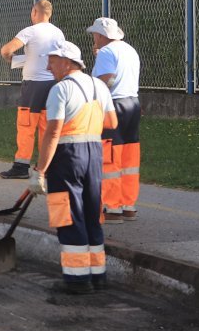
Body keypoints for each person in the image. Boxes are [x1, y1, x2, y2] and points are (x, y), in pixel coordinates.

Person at [28, 40, 118, 295]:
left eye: (52, 60)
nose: (48, 65)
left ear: (67, 62)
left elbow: (53, 132)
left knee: (69, 215)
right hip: (94, 152)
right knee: (91, 213)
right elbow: (111, 121)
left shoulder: (61, 89)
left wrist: (40, 170)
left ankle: (77, 279)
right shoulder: (99, 85)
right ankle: (97, 274)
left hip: (67, 155)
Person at [0, 0, 64, 179]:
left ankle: (21, 166)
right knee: (46, 125)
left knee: (26, 125)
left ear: (35, 12)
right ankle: (46, 167)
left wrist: (10, 57)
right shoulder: (58, 33)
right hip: (53, 84)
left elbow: (6, 50)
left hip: (33, 85)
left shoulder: (30, 31)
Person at [87, 17, 141, 224]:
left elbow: (108, 78)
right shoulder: (129, 49)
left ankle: (111, 207)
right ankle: (128, 205)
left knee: (110, 155)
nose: (93, 38)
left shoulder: (107, 53)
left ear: (101, 35)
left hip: (114, 105)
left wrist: (92, 93)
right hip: (132, 104)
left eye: (94, 34)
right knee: (129, 156)